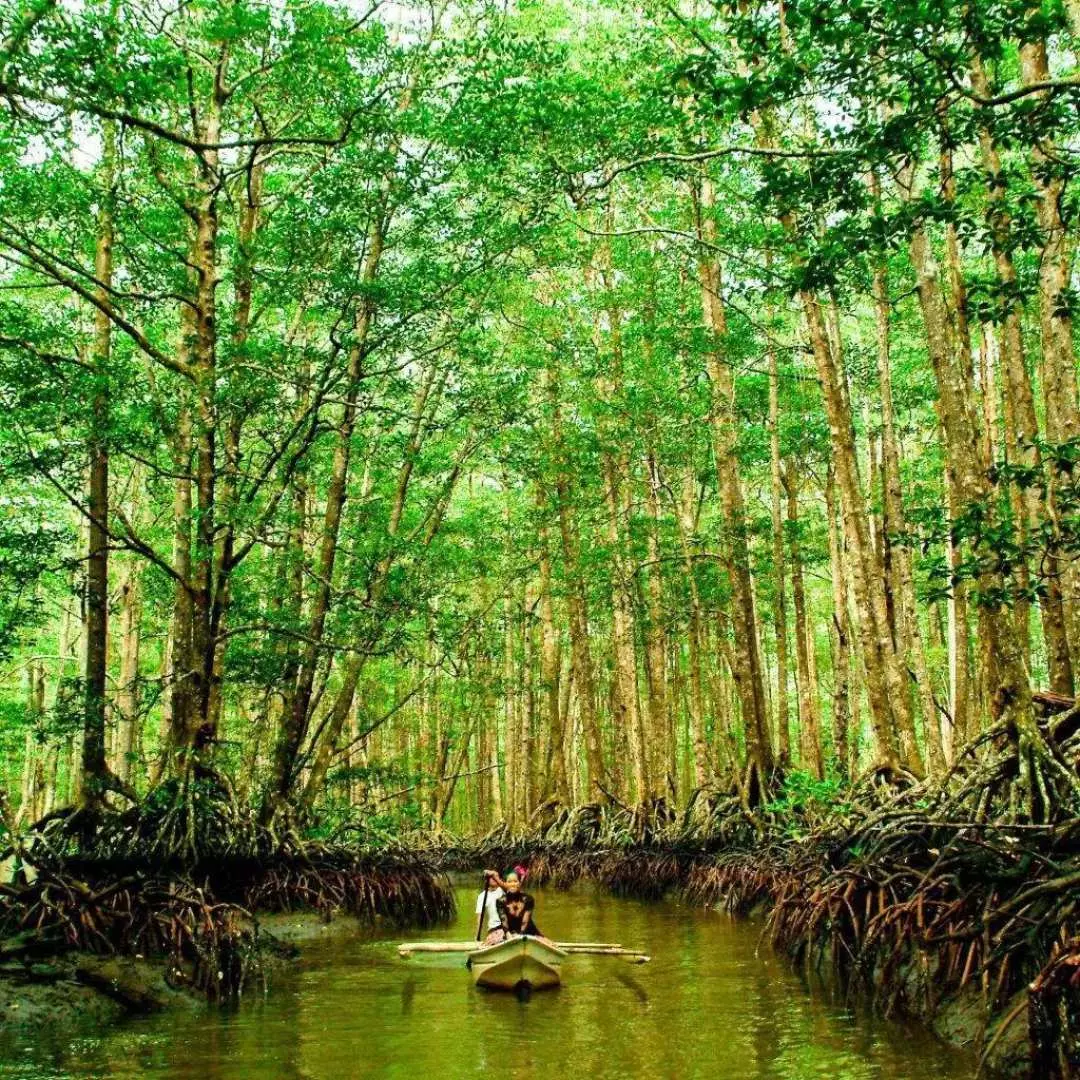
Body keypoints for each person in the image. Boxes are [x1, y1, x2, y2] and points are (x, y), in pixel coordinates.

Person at [474, 871, 505, 942]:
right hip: (494, 929)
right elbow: (479, 918)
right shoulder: (482, 896)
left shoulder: (504, 891)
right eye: (492, 877)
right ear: (487, 880)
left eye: (496, 876)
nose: (494, 878)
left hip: (507, 928)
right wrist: (477, 936)